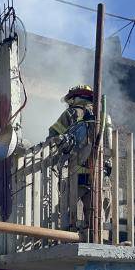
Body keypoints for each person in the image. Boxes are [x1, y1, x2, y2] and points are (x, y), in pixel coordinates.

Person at [48, 85, 112, 234]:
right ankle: (97, 240)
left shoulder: (71, 113)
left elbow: (52, 139)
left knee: (64, 213)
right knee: (97, 218)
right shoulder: (103, 116)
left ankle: (64, 238)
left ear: (75, 98)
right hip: (99, 176)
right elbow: (109, 146)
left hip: (75, 176)